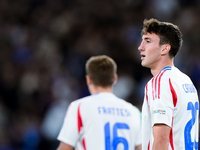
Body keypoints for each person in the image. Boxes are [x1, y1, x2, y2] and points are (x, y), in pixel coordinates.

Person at [56, 55, 142, 150]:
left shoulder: (79, 107)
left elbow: (65, 148)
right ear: (115, 79)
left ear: (88, 79)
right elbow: (141, 147)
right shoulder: (134, 112)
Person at [138, 18, 199, 150]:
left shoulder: (160, 82)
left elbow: (161, 140)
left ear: (164, 49)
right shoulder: (186, 81)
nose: (140, 47)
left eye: (148, 41)